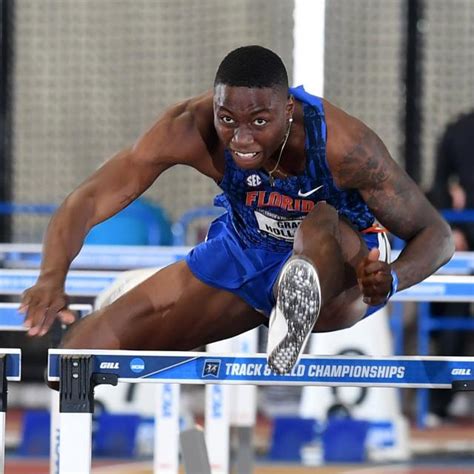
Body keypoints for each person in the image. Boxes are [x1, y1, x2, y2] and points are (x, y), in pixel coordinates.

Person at [19, 45, 454, 375]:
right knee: (78, 356)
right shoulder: (192, 126)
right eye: (228, 119)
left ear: (287, 110)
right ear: (215, 106)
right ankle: (268, 300)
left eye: (259, 123)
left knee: (318, 219)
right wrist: (52, 276)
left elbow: (436, 236)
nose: (241, 139)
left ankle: (295, 303)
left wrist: (393, 279)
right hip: (246, 250)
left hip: (340, 270)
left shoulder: (346, 147)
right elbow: (89, 197)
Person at [427, 110, 474, 421]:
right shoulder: (459, 130)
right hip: (464, 241)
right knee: (452, 317)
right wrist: (453, 230)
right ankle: (444, 400)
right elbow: (439, 185)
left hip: (464, 235)